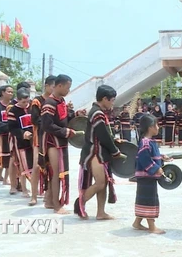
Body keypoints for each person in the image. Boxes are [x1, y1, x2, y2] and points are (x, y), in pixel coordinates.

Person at [75, 85, 127, 220]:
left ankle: (101, 212)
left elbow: (106, 134)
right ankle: (79, 203)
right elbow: (103, 136)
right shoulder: (97, 113)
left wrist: (115, 141)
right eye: (112, 100)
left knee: (103, 183)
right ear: (104, 99)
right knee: (100, 183)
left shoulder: (98, 111)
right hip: (95, 153)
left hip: (100, 152)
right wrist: (115, 151)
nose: (112, 103)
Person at [41, 74, 84, 214]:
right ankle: (56, 205)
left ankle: (49, 201)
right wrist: (65, 131)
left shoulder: (61, 101)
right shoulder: (49, 103)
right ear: (59, 86)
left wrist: (76, 114)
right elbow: (47, 125)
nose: (68, 90)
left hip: (61, 141)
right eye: (67, 87)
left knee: (58, 172)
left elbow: (63, 118)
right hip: (53, 142)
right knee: (56, 173)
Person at [132, 114, 171, 234]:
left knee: (144, 199)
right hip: (146, 177)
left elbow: (151, 156)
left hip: (148, 177)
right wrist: (155, 168)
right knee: (149, 200)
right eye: (157, 125)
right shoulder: (145, 143)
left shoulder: (150, 142)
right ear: (150, 127)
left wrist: (161, 157)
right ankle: (152, 226)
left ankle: (137, 222)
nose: (158, 127)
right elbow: (144, 160)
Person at [30, 75, 56, 206]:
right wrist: (48, 123)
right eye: (53, 86)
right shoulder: (37, 101)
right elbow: (35, 119)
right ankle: (33, 196)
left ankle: (48, 195)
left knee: (51, 167)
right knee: (36, 166)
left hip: (52, 138)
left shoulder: (58, 101)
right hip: (39, 137)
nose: (55, 88)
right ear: (46, 86)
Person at [8, 88, 33, 198]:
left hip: (33, 141)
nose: (26, 104)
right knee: (23, 166)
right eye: (23, 102)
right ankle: (24, 189)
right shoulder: (13, 111)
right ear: (17, 100)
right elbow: (12, 128)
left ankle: (35, 188)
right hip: (21, 142)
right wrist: (23, 133)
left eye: (27, 101)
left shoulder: (32, 108)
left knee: (34, 165)